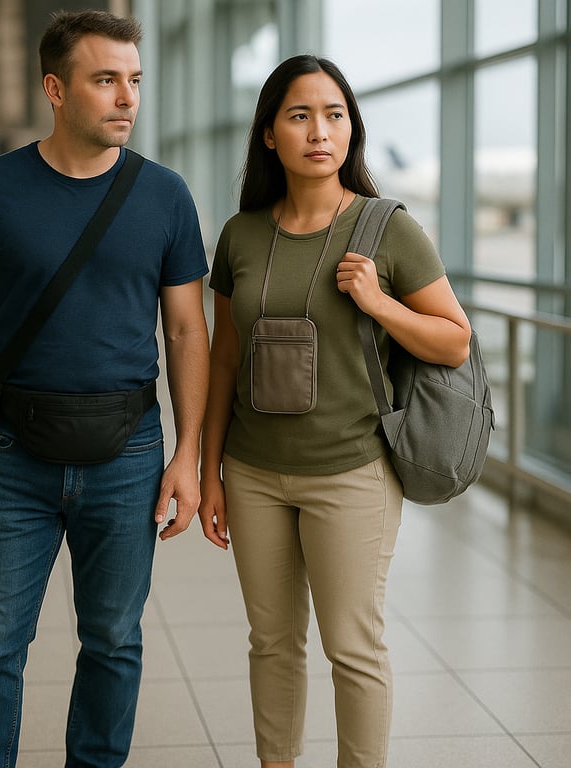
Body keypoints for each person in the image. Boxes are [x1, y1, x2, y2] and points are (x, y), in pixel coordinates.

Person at [0, 10, 209, 768]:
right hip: (12, 451)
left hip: (130, 450)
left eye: (134, 80)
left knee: (113, 642)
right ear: (55, 87)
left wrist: (189, 455)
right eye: (105, 79)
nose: (126, 98)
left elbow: (185, 331)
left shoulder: (166, 196)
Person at [198, 55, 471, 768]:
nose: (319, 131)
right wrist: (208, 474)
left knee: (352, 646)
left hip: (351, 472)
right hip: (253, 474)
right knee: (272, 642)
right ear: (269, 135)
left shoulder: (389, 230)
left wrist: (379, 303)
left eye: (334, 114)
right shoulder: (241, 235)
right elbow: (225, 359)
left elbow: (454, 339)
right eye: (299, 115)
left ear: (352, 129)